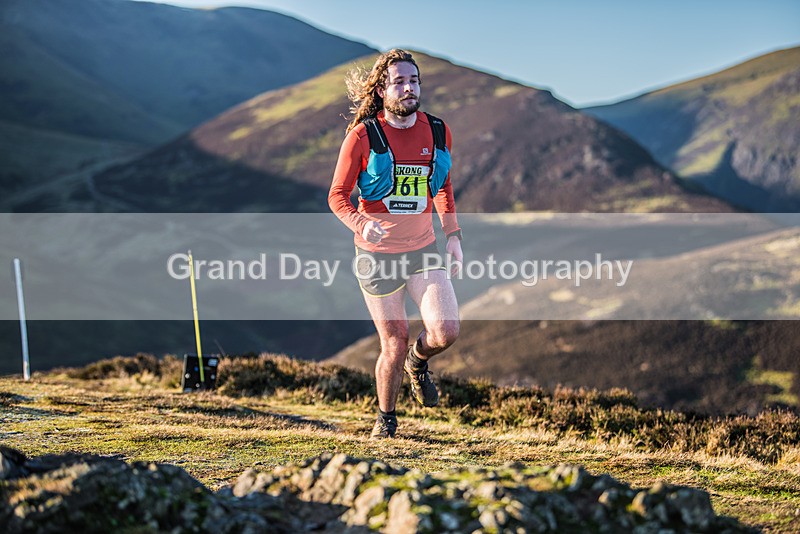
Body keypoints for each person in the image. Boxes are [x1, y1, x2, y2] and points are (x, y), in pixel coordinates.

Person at [328, 49, 463, 439]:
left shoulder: (437, 131)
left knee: (445, 331)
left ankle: (419, 363)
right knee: (395, 342)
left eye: (414, 80)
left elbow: (443, 185)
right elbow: (337, 195)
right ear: (382, 89)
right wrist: (360, 223)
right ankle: (386, 421)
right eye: (399, 81)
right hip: (376, 256)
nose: (408, 88)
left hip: (422, 249)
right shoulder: (363, 136)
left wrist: (452, 235)